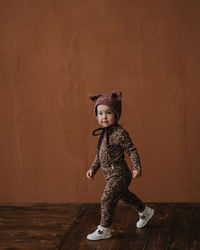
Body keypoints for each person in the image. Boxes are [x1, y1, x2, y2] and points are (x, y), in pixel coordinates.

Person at [86, 90, 154, 241]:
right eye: (100, 113)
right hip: (109, 176)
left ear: (116, 114)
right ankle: (145, 211)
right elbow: (100, 155)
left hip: (120, 174)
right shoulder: (103, 134)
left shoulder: (120, 133)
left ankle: (104, 228)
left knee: (107, 198)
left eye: (108, 113)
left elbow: (131, 149)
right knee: (125, 195)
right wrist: (93, 168)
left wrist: (137, 167)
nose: (104, 117)